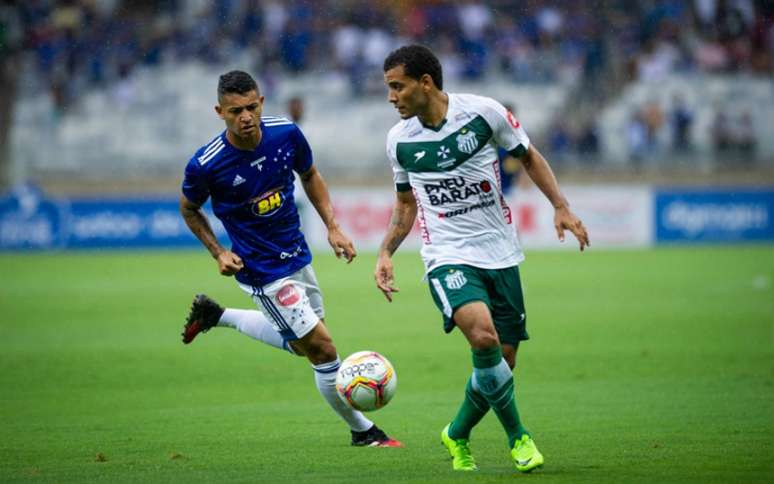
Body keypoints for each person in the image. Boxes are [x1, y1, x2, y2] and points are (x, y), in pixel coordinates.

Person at [374, 45, 589, 473]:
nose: (391, 97)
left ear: (426, 83)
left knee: (502, 363)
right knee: (484, 339)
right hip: (446, 254)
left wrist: (560, 206)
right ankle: (519, 437)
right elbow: (405, 205)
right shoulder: (399, 140)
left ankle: (456, 432)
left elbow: (529, 156)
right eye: (389, 89)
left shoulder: (483, 113)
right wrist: (385, 251)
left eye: (397, 86)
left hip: (499, 251)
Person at [179, 70, 401, 448]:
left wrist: (332, 226)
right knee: (323, 349)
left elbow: (310, 174)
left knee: (303, 345)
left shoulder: (286, 133)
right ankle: (364, 432)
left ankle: (218, 315)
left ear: (262, 103)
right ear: (220, 112)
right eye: (235, 111)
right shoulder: (207, 164)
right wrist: (219, 251)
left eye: (251, 107)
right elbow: (189, 208)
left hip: (297, 253)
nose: (246, 117)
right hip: (261, 270)